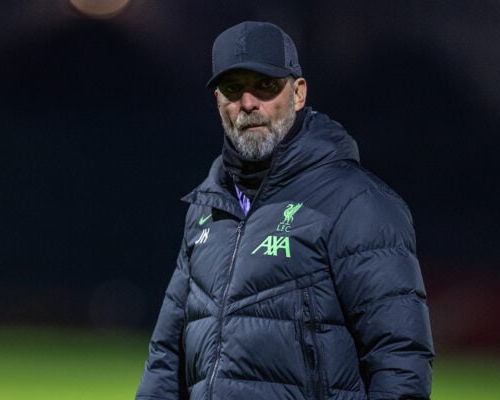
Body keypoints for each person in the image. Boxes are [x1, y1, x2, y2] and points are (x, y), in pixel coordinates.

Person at [136, 21, 434, 400]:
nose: (248, 103)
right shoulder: (206, 208)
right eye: (232, 89)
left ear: (298, 93)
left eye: (264, 85)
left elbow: (400, 359)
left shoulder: (357, 202)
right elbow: (166, 358)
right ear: (217, 101)